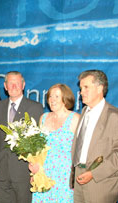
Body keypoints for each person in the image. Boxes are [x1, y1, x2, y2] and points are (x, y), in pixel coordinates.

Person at [0, 71, 43, 203]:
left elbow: (40, 142)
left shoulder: (35, 107)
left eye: (17, 83)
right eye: (10, 83)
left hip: (24, 171)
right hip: (2, 170)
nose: (13, 86)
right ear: (5, 86)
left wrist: (37, 170)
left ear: (23, 85)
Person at [70, 70, 118, 202]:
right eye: (80, 88)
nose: (81, 92)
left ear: (99, 88)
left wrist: (93, 173)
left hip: (101, 184)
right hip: (79, 178)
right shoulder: (84, 112)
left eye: (86, 87)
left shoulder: (114, 116)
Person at [29, 84, 80, 202]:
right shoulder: (43, 117)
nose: (52, 99)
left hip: (64, 177)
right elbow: (37, 148)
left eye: (56, 96)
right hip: (43, 174)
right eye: (50, 96)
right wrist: (34, 171)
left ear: (65, 98)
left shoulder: (75, 119)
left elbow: (82, 150)